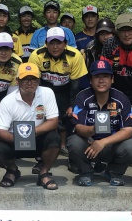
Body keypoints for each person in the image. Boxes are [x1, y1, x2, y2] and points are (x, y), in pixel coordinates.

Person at [68, 60, 132, 186]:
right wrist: (93, 130)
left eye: (105, 76)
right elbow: (78, 127)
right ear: (90, 80)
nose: (101, 80)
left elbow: (128, 131)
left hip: (112, 145)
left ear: (112, 79)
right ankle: (86, 172)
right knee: (73, 141)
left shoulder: (121, 99)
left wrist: (103, 142)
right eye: (97, 76)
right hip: (89, 144)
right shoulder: (82, 97)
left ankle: (114, 172)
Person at [0, 62, 61, 190]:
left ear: (39, 80)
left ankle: (44, 172)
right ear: (17, 81)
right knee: (0, 148)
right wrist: (19, 138)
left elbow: (53, 121)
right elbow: (1, 131)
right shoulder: (7, 101)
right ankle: (12, 170)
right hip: (15, 139)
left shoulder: (47, 93)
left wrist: (30, 134)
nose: (30, 83)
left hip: (38, 136)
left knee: (54, 138)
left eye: (33, 79)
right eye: (25, 79)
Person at [28, 26, 88, 155]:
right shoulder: (37, 55)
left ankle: (65, 146)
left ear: (65, 44)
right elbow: (33, 82)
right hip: (44, 87)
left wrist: (73, 105)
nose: (55, 47)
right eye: (52, 43)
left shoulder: (75, 55)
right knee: (41, 115)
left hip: (66, 88)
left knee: (68, 116)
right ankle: (40, 150)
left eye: (59, 43)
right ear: (46, 43)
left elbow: (76, 84)